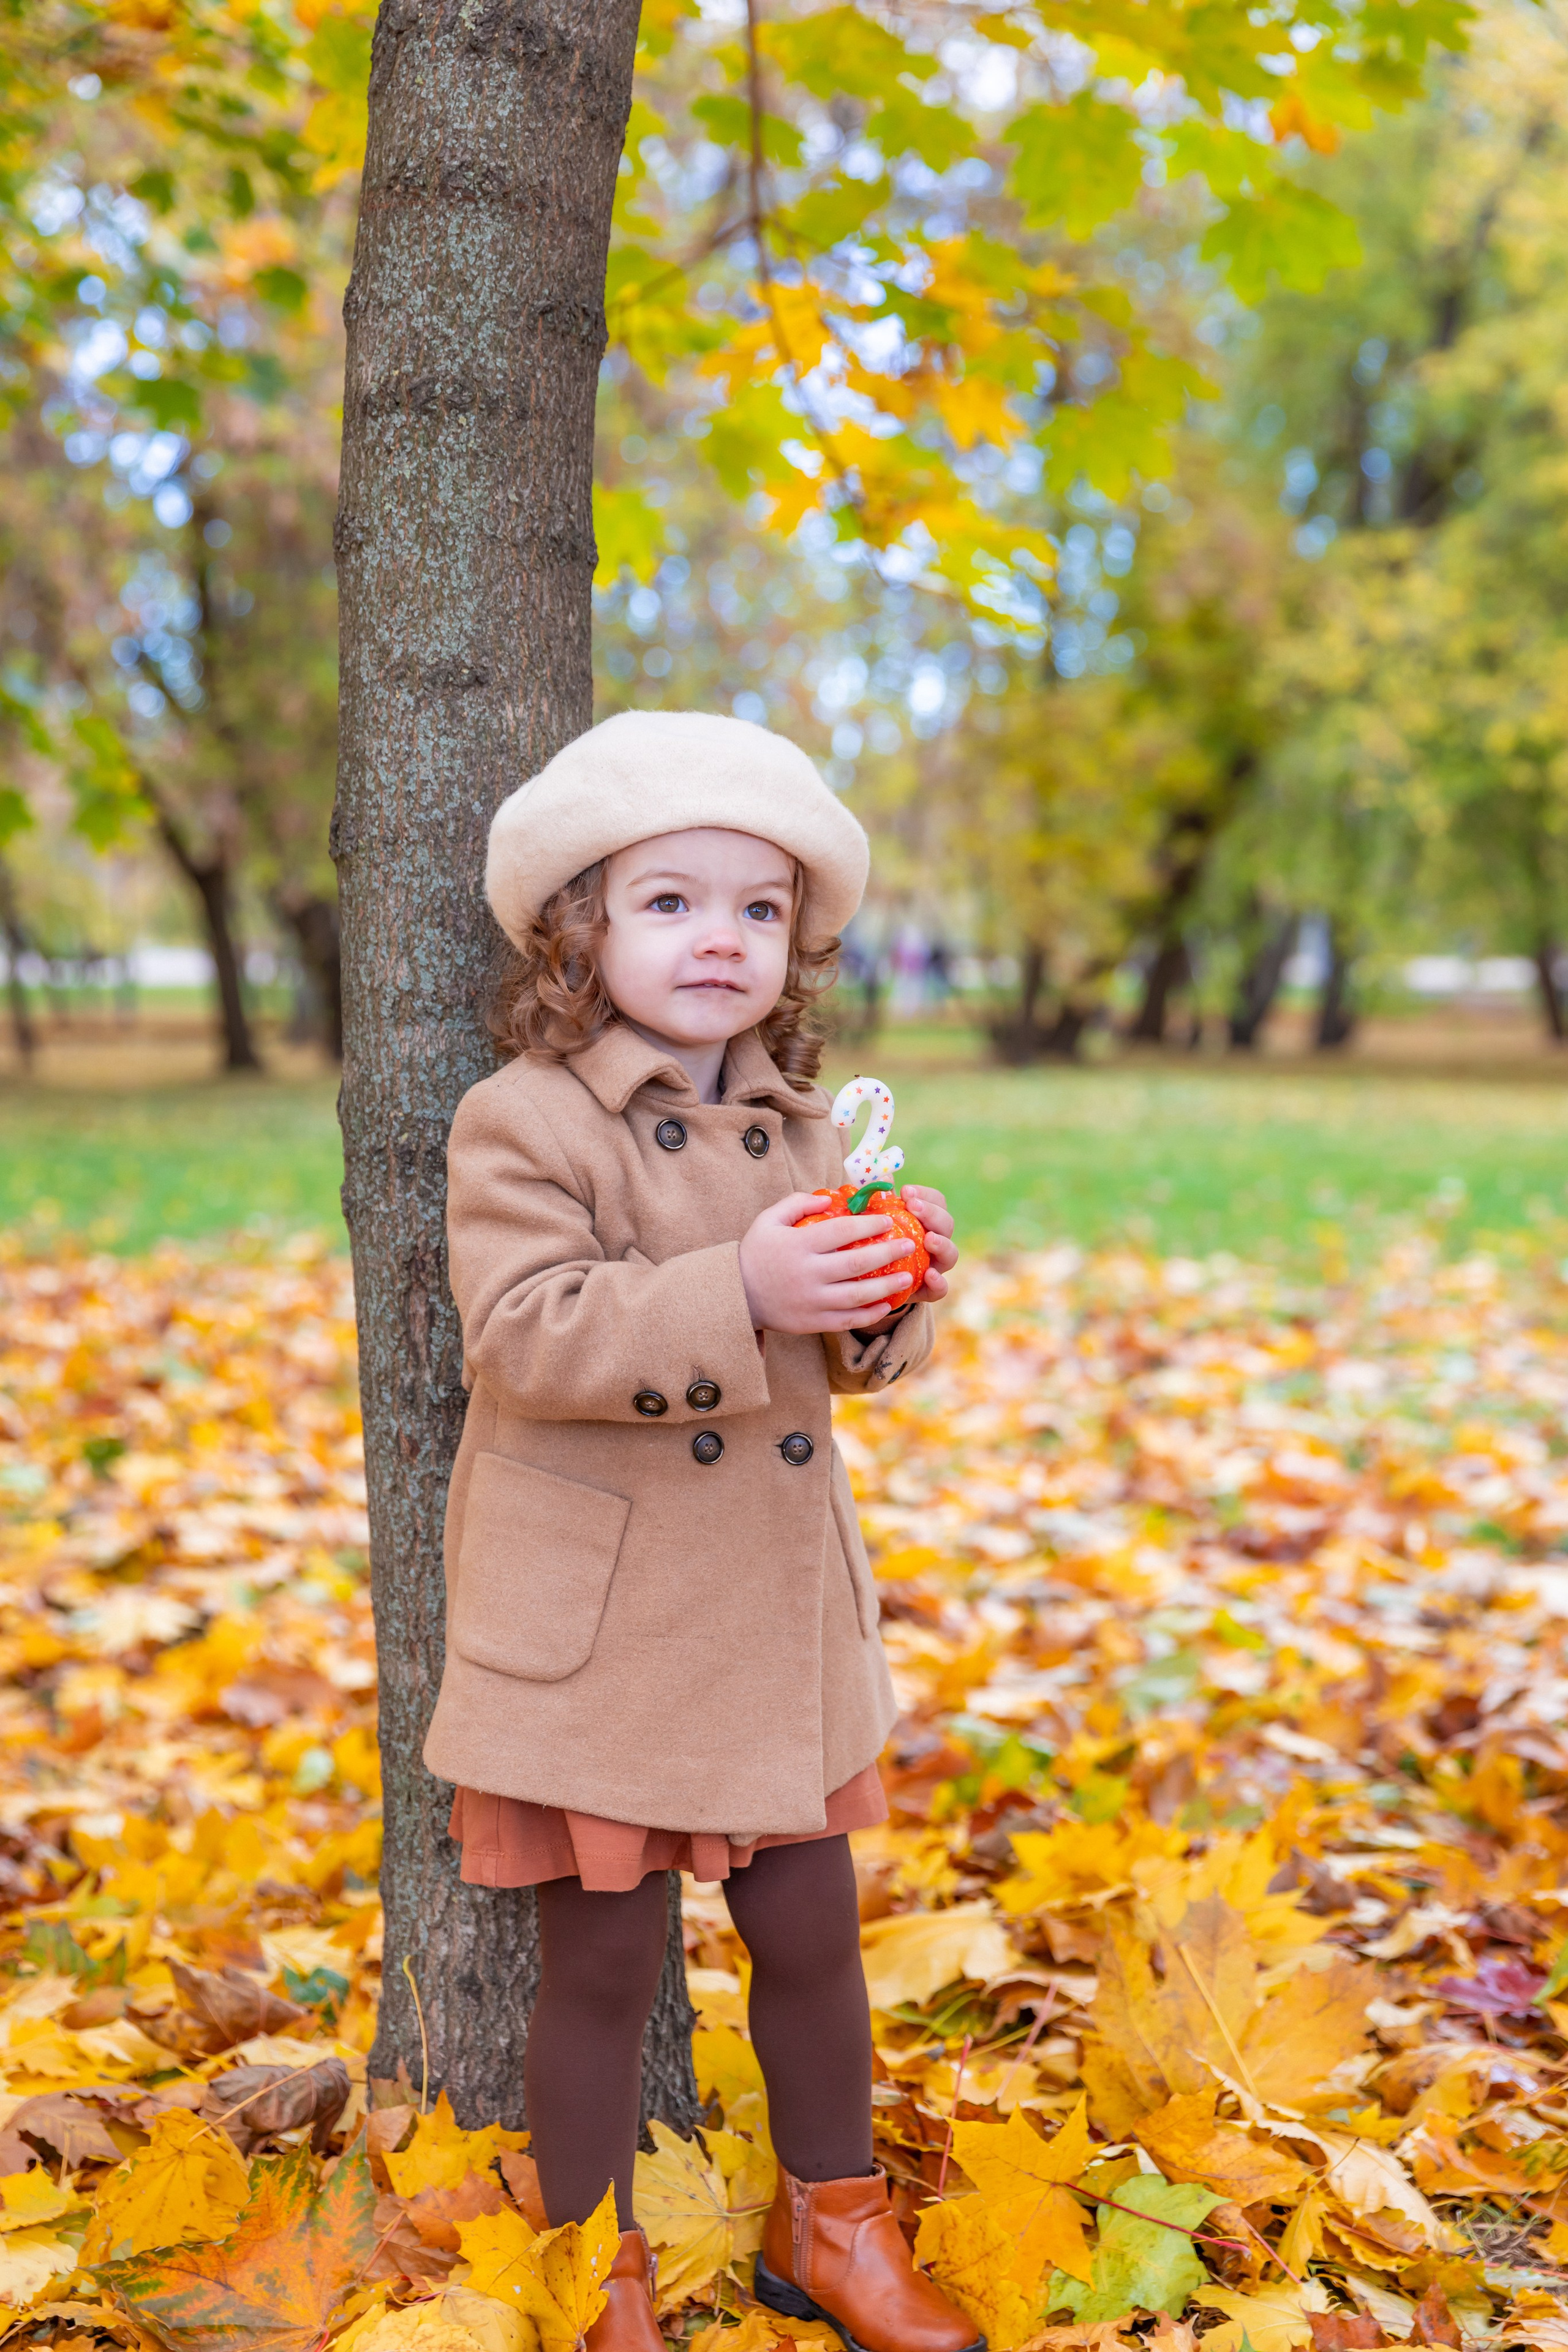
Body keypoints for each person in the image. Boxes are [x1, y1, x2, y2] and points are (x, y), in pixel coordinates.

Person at [423, 710, 978, 2352]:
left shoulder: (807, 1126)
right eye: (669, 903)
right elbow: (523, 1332)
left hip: (775, 1622)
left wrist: (892, 1299)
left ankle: (833, 2220)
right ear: (580, 930)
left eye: (755, 908)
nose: (718, 938)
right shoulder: (524, 1119)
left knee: (814, 1936)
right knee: (599, 1969)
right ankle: (591, 2269)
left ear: (795, 948)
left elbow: (847, 1365)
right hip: (606, 1629)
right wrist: (742, 1286)